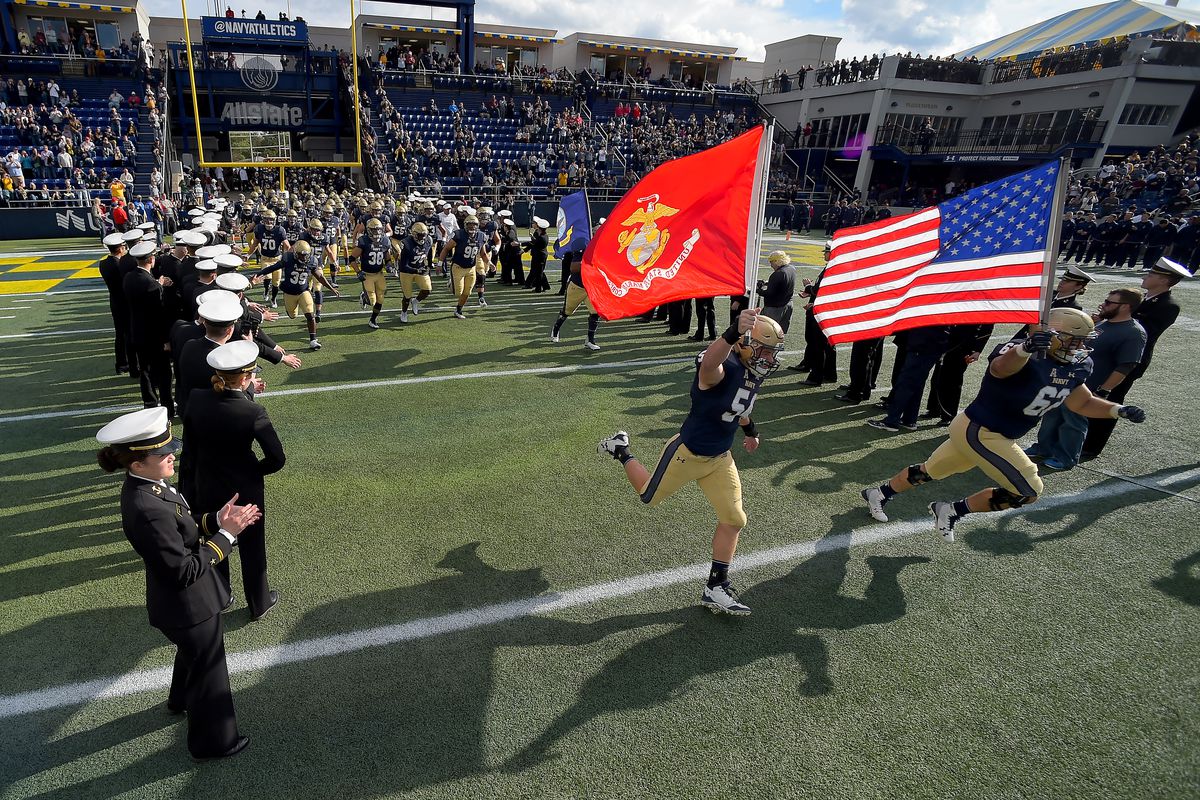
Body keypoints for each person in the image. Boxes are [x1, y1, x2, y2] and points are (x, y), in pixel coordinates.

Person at [860, 308, 1146, 541]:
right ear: (1054, 336)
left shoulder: (1077, 365)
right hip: (983, 430)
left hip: (986, 431)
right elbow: (1000, 368)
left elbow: (1080, 402)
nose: (1080, 347)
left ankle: (879, 493)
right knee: (1029, 491)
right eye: (1075, 340)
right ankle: (952, 510)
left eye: (1083, 342)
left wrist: (1117, 410)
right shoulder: (1020, 353)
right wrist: (1025, 348)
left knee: (930, 470)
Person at [96, 406, 259, 761]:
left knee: (195, 658)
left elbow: (181, 524)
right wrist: (227, 535)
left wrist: (216, 518)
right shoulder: (146, 508)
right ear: (137, 463)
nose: (172, 455)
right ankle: (214, 743)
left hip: (183, 604)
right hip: (188, 606)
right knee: (210, 672)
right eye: (161, 453)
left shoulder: (150, 485)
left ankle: (178, 700)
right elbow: (183, 571)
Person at [597, 309, 785, 615]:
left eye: (771, 352)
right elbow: (710, 365)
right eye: (764, 350)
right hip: (687, 454)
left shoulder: (752, 373)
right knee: (647, 496)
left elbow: (740, 406)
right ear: (745, 344)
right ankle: (622, 451)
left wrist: (750, 430)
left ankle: (716, 585)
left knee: (735, 519)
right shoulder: (723, 367)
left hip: (720, 459)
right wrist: (732, 331)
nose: (769, 358)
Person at [184, 340, 285, 621]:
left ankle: (221, 595)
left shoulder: (196, 398)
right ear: (245, 377)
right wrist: (253, 472)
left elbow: (191, 450)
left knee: (216, 538)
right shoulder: (254, 412)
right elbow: (277, 458)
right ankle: (259, 602)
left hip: (206, 483)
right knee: (252, 546)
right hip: (245, 489)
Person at [1082, 257, 1188, 460]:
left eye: (1152, 274)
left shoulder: (1168, 305)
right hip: (1107, 355)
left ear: (1165, 281)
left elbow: (1143, 331)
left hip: (1127, 360)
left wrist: (1107, 317)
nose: (1146, 276)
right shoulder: (1143, 299)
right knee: (1091, 395)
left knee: (1110, 401)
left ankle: (1092, 446)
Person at [1029, 287, 1145, 470]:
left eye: (1109, 302)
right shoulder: (1101, 324)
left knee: (1073, 422)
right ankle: (1044, 448)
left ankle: (1066, 457)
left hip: (1089, 385)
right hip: (1068, 380)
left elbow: (1126, 366)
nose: (1103, 305)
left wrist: (1104, 390)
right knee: (1051, 416)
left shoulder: (1133, 332)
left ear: (1125, 307)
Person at [252, 241, 338, 350]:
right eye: (301, 255)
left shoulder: (312, 261)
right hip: (289, 293)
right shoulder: (288, 258)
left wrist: (331, 288)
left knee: (310, 315)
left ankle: (313, 340)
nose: (303, 257)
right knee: (293, 315)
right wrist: (258, 275)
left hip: (303, 291)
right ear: (295, 253)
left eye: (305, 255)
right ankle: (292, 311)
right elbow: (273, 268)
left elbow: (319, 276)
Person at [123, 240, 174, 414]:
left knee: (145, 370)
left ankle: (150, 404)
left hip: (137, 332)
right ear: (151, 259)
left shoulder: (129, 277)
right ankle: (167, 405)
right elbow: (159, 316)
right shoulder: (152, 285)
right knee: (164, 374)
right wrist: (166, 340)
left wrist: (158, 284)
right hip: (155, 337)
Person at [99, 232, 137, 376]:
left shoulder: (103, 263)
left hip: (115, 302)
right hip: (124, 303)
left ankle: (121, 363)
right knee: (127, 334)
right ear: (120, 248)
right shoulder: (119, 265)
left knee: (120, 334)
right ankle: (128, 363)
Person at [439, 214, 490, 318]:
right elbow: (446, 248)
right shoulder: (459, 235)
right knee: (458, 293)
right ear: (465, 225)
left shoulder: (481, 236)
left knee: (467, 293)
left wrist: (489, 264)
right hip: (458, 267)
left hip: (471, 268)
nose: (472, 226)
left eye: (474, 224)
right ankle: (451, 282)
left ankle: (458, 310)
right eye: (470, 224)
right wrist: (440, 263)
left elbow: (483, 253)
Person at [550, 252, 601, 350]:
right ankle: (555, 329)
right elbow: (574, 268)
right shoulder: (582, 245)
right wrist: (591, 263)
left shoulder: (600, 248)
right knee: (567, 311)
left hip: (591, 286)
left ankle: (590, 340)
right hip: (577, 286)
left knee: (595, 312)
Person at [349, 217, 393, 329]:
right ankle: (364, 297)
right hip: (367, 274)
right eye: (374, 230)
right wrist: (358, 272)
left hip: (379, 274)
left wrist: (389, 266)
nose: (377, 232)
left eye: (378, 230)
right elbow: (352, 259)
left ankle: (373, 319)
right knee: (372, 301)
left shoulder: (385, 240)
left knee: (381, 299)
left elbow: (387, 258)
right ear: (369, 230)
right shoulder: (364, 241)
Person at [396, 221, 434, 323]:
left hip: (420, 268)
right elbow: (403, 266)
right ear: (413, 234)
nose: (422, 238)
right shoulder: (406, 243)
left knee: (427, 290)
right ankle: (404, 312)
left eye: (424, 235)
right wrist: (417, 270)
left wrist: (429, 266)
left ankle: (416, 301)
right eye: (420, 235)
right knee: (407, 296)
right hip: (406, 272)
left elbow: (429, 253)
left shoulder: (429, 240)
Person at [758, 250, 796, 333]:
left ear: (777, 261)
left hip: (775, 307)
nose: (771, 265)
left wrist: (758, 291)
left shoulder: (778, 274)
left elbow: (769, 293)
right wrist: (768, 283)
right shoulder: (791, 268)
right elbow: (783, 283)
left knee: (768, 332)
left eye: (771, 262)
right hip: (788, 304)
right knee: (780, 332)